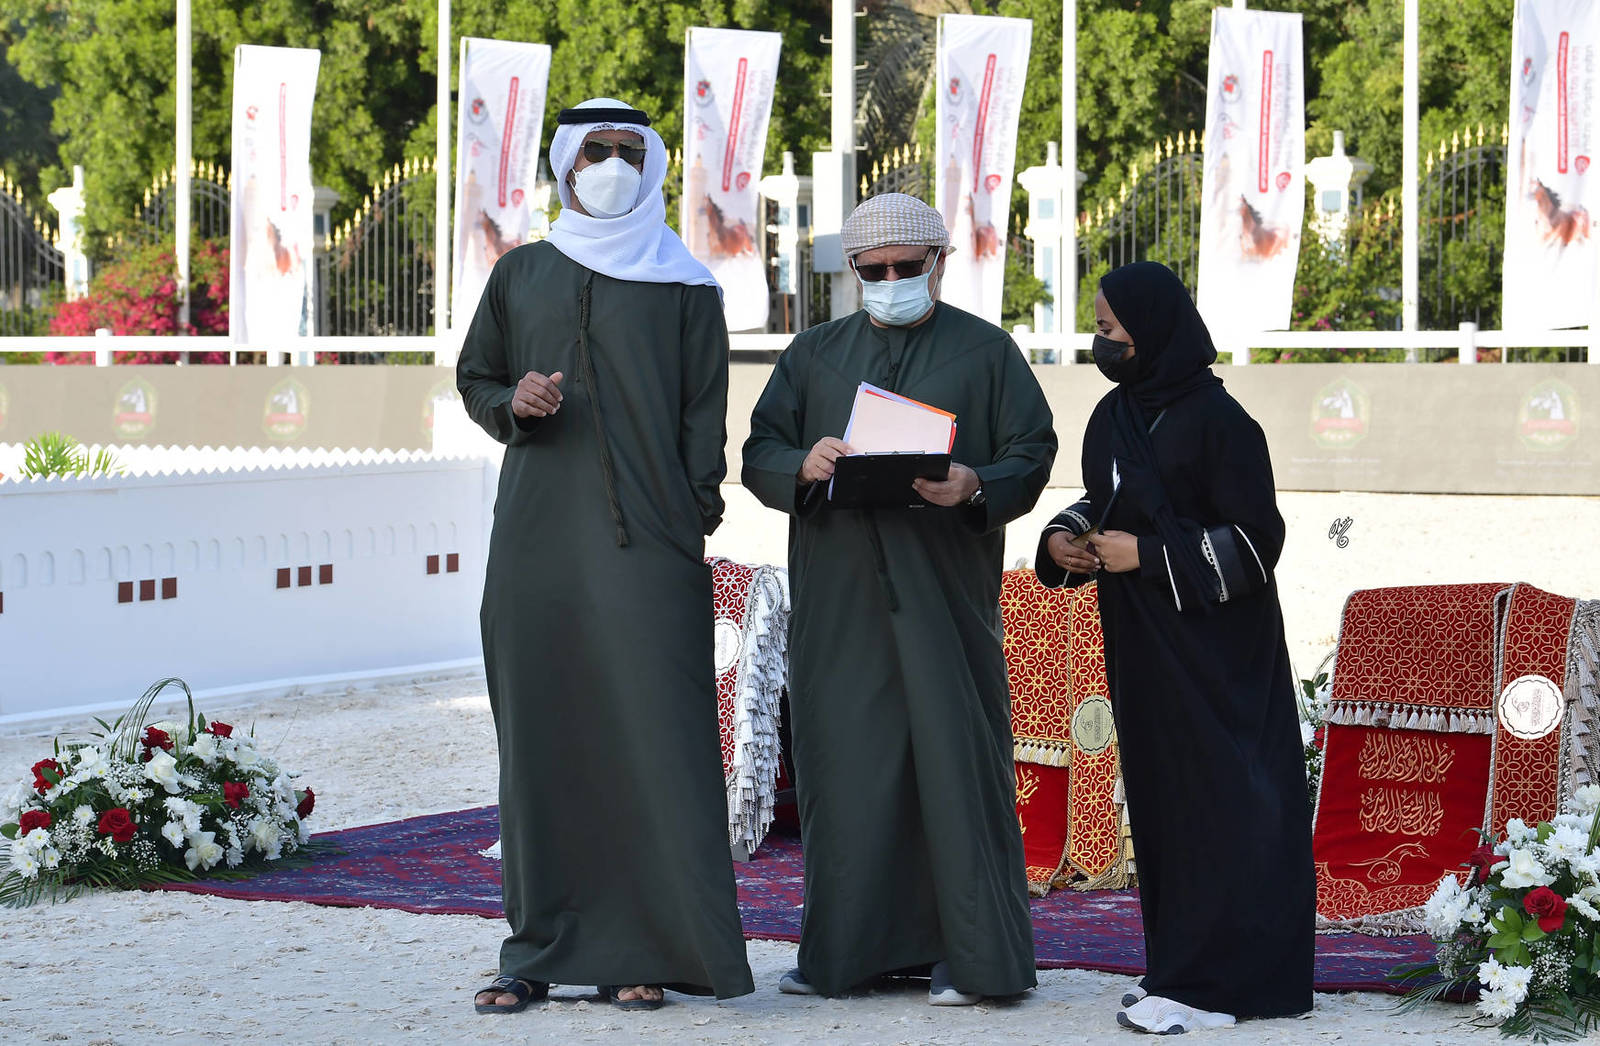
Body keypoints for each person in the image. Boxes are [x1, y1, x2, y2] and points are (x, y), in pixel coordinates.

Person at [456, 97, 754, 1014]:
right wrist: (518, 403)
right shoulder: (521, 274)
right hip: (537, 541)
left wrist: (684, 522)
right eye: (597, 150)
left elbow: (706, 423)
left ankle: (648, 948)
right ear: (565, 165)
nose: (614, 164)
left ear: (654, 164)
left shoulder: (687, 285)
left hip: (650, 546)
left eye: (630, 150)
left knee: (652, 740)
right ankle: (534, 949)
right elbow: (476, 379)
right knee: (543, 741)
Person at [742, 192, 1056, 1004]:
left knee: (954, 766)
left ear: (940, 262)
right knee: (846, 768)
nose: (889, 281)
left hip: (943, 598)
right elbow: (760, 450)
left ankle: (974, 959)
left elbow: (1033, 449)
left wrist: (975, 483)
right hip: (840, 602)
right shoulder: (812, 354)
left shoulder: (986, 353)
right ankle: (846, 956)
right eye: (872, 271)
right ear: (851, 272)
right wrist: (802, 464)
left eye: (905, 268)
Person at [1035, 261, 1313, 1034]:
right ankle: (1181, 970)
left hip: (1219, 656)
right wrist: (1067, 539)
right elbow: (1115, 497)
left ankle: (1228, 989)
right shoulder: (1116, 415)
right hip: (1145, 645)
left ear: (1153, 332)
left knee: (1226, 805)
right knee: (1166, 803)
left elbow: (1259, 546)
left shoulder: (1225, 425)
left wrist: (1147, 557)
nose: (1103, 341)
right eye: (1098, 327)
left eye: (1112, 330)